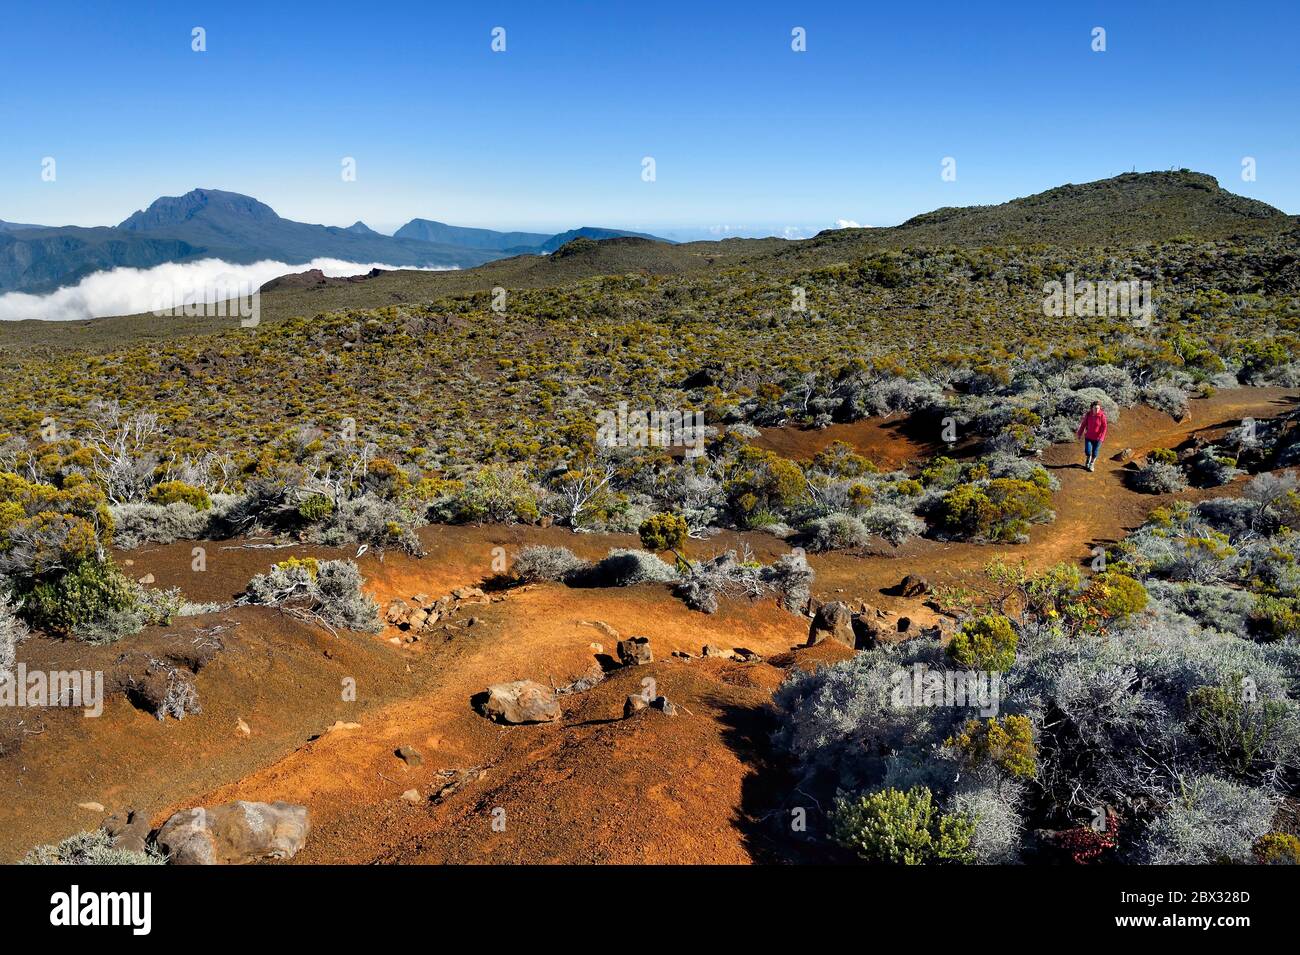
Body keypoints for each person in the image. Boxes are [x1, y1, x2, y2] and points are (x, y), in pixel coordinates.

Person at [1076, 400, 1108, 471]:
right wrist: (1079, 433)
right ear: (1092, 408)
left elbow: (1104, 427)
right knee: (1088, 451)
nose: (1096, 410)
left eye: (1098, 408)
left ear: (1100, 408)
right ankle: (1088, 458)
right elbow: (1083, 424)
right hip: (1089, 437)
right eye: (1095, 408)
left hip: (1098, 438)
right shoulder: (1088, 415)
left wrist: (1102, 437)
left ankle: (1091, 464)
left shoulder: (1102, 416)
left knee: (1095, 452)